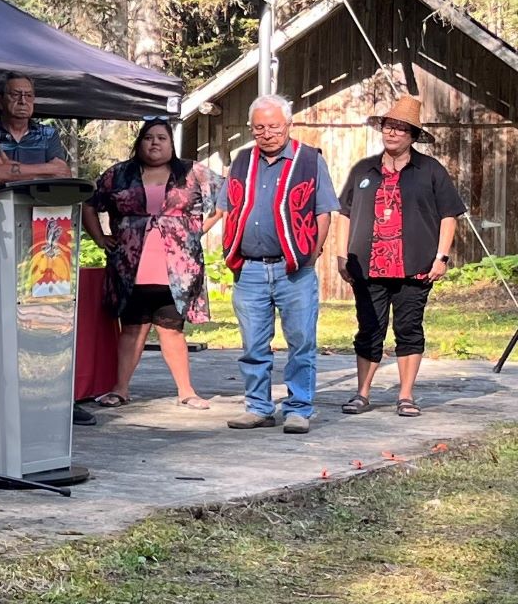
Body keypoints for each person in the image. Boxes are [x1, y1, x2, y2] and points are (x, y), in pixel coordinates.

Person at [335, 95, 464, 418]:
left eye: (399, 129)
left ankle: (405, 395)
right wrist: (340, 255)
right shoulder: (364, 170)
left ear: (413, 135)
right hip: (368, 265)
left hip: (415, 266)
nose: (391, 134)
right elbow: (345, 213)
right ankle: (362, 393)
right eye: (387, 127)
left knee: (409, 328)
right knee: (368, 328)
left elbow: (449, 215)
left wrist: (442, 257)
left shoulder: (430, 170)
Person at [216, 94, 338, 433]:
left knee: (301, 341)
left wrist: (312, 253)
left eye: (273, 126)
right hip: (250, 268)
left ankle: (299, 408)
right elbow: (226, 207)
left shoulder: (309, 160)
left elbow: (324, 211)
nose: (267, 133)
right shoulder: (241, 161)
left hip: (293, 268)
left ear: (288, 125)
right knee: (253, 344)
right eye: (259, 128)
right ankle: (258, 407)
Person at [81, 117, 218, 409]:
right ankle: (120, 389)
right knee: (132, 327)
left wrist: (195, 234)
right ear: (139, 142)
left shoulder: (193, 173)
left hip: (177, 269)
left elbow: (226, 202)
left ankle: (186, 392)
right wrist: (100, 239)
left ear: (171, 144)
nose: (155, 142)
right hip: (130, 266)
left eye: (162, 138)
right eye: (148, 137)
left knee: (172, 330)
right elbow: (89, 205)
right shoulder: (118, 174)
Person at [0, 72, 73, 185]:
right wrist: (48, 169)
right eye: (15, 95)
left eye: (29, 95)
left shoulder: (48, 134)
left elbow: (63, 172)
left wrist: (8, 166)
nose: (23, 101)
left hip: (39, 201)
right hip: (1, 201)